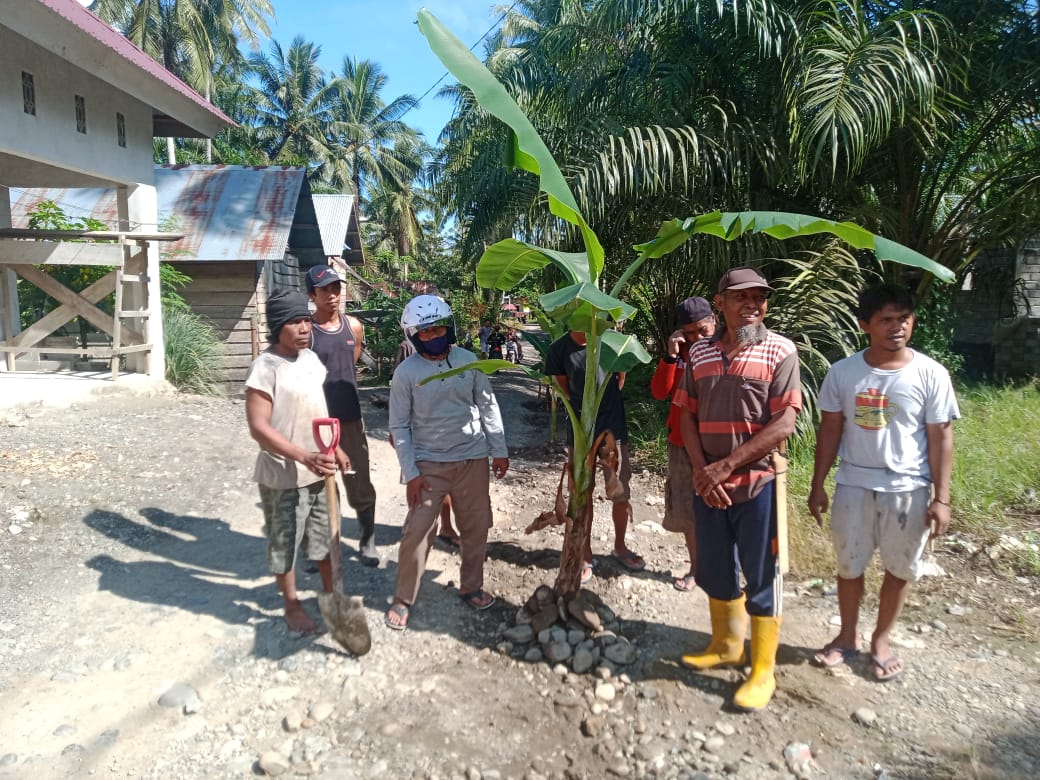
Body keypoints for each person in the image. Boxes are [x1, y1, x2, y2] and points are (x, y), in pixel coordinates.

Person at [808, 283, 958, 681]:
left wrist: (941, 499)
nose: (897, 327)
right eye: (886, 319)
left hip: (909, 488)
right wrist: (818, 483)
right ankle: (846, 636)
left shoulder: (930, 374)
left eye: (904, 318)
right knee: (848, 565)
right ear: (865, 325)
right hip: (853, 485)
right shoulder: (843, 373)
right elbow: (830, 431)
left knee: (900, 568)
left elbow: (941, 437)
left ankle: (881, 640)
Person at [674, 266, 801, 711]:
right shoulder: (699, 354)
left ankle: (762, 668)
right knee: (714, 566)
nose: (752, 305)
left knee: (763, 573)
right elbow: (685, 413)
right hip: (708, 485)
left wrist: (724, 466)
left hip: (756, 484)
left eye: (760, 298)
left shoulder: (780, 350)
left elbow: (785, 421)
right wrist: (700, 470)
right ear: (721, 303)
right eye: (741, 297)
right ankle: (726, 645)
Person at [385, 295, 509, 630]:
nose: (433, 335)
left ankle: (472, 586)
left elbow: (487, 406)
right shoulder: (405, 373)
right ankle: (404, 596)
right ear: (413, 335)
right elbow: (398, 425)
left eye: (438, 328)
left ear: (449, 327)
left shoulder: (469, 361)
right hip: (428, 466)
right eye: (425, 332)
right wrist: (410, 473)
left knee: (476, 527)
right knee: (417, 531)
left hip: (472, 459)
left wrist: (499, 449)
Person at [245, 289, 351, 634]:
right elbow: (258, 428)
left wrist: (333, 447)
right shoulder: (265, 368)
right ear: (278, 327)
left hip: (320, 471)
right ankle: (291, 605)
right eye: (295, 322)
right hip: (284, 475)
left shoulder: (310, 361)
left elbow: (318, 410)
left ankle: (332, 596)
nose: (305, 327)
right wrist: (304, 455)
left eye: (306, 320)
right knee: (285, 542)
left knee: (324, 539)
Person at [545, 328, 644, 584]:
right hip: (580, 433)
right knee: (582, 492)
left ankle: (619, 546)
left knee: (620, 491)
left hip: (614, 428)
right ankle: (584, 553)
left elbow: (620, 379)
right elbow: (563, 390)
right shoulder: (559, 349)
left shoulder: (613, 343)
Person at [306, 265, 379, 567]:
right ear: (312, 294)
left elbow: (349, 362)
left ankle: (367, 540)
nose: (333, 294)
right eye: (325, 290)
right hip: (315, 421)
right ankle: (319, 545)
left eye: (336, 288)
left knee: (359, 481)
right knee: (317, 484)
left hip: (349, 418)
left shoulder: (355, 327)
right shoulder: (306, 330)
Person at [649, 297, 717, 592]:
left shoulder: (727, 348)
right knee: (688, 511)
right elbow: (660, 392)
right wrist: (671, 357)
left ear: (714, 320)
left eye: (702, 330)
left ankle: (726, 568)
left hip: (719, 445)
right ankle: (697, 569)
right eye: (690, 334)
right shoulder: (681, 355)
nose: (697, 338)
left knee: (724, 511)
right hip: (681, 443)